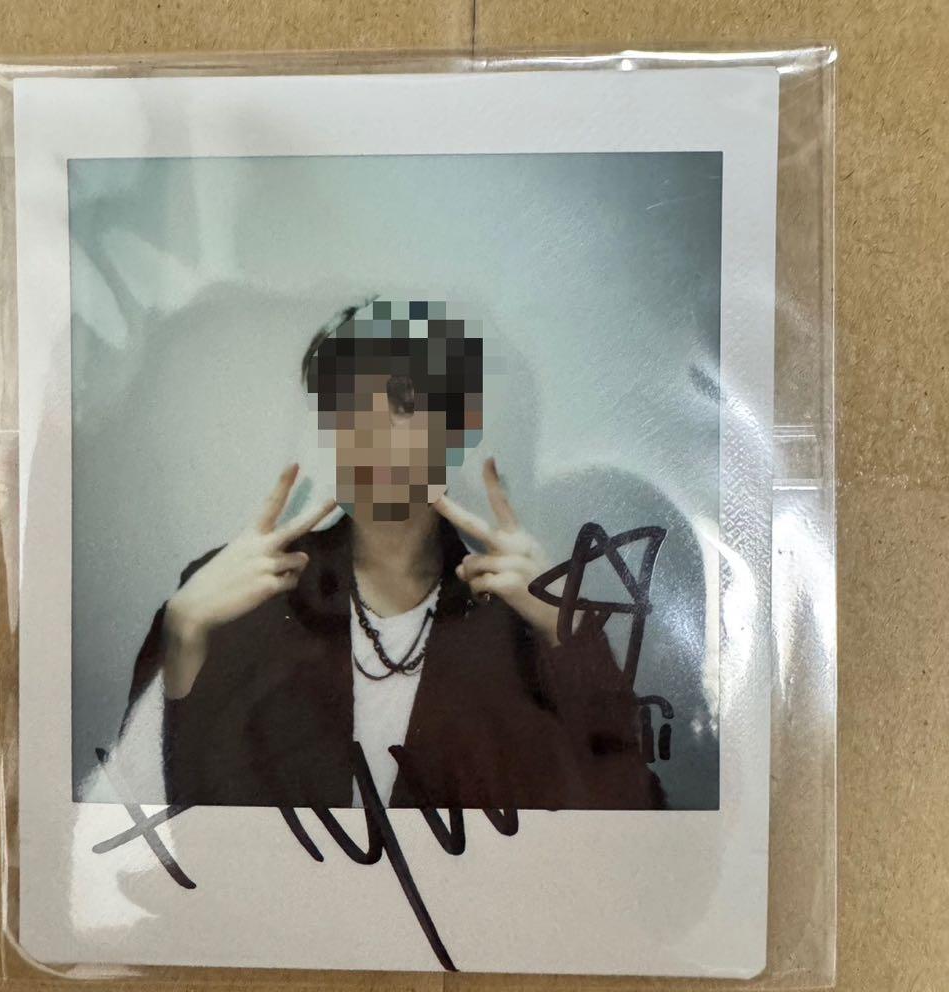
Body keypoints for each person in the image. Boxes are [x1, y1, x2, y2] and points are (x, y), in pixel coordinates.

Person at [121, 298, 664, 810]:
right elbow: (137, 826)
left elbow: (634, 818)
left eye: (404, 405)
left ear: (456, 429)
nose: (374, 434)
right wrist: (183, 633)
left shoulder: (522, 618)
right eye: (349, 406)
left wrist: (568, 632)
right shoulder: (240, 596)